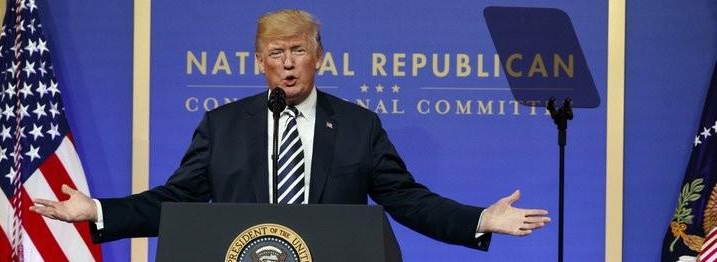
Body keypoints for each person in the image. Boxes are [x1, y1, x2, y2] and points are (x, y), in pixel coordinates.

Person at [30, 9, 549, 248]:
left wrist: (480, 219)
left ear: (319, 57)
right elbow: (178, 199)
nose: (288, 63)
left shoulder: (358, 126)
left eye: (299, 50)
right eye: (275, 53)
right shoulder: (223, 126)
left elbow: (407, 199)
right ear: (259, 62)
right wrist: (98, 210)